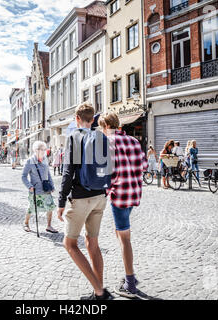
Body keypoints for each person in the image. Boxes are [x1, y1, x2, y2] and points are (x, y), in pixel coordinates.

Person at [57, 103, 113, 300]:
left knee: (70, 244)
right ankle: (99, 291)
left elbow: (68, 172)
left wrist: (61, 201)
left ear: (77, 118)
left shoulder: (75, 137)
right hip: (100, 196)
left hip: (81, 198)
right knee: (93, 243)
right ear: (93, 119)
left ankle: (99, 290)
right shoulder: (100, 136)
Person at [98, 112, 147, 299]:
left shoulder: (107, 143)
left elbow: (103, 172)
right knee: (120, 232)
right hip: (133, 193)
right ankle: (130, 277)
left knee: (125, 238)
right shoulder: (133, 141)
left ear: (104, 127)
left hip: (118, 195)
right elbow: (143, 166)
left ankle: (130, 282)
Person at [21, 141, 58, 234]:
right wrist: (29, 186)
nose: (43, 151)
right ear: (36, 150)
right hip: (35, 190)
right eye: (42, 149)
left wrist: (52, 185)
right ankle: (26, 223)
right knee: (31, 207)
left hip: (46, 189)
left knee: (50, 207)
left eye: (44, 149)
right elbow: (23, 176)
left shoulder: (45, 159)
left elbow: (48, 174)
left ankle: (49, 226)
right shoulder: (30, 161)